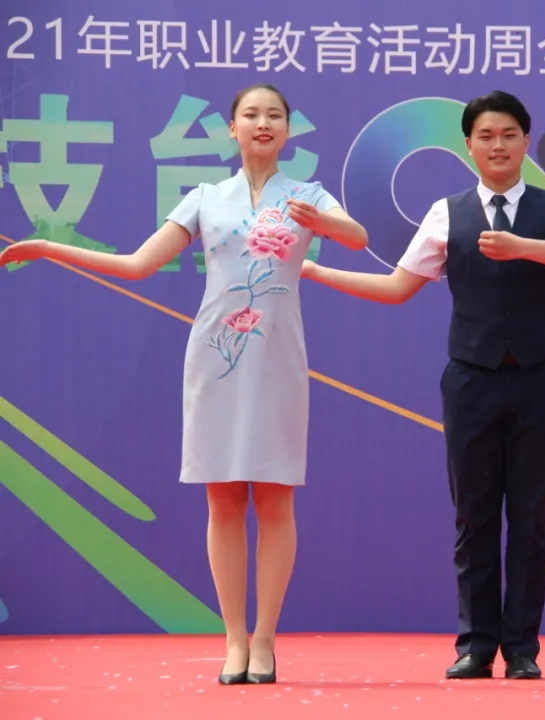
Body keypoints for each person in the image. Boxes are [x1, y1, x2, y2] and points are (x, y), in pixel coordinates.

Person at [0, 83, 369, 686]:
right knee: (223, 499)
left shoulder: (308, 194)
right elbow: (137, 265)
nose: (263, 123)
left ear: (288, 129)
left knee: (275, 497)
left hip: (278, 357)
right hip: (214, 358)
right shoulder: (205, 197)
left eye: (274, 115)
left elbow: (358, 238)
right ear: (231, 128)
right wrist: (48, 247)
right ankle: (233, 639)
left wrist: (322, 220)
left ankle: (265, 640)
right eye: (251, 114)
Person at [301, 90, 545, 680]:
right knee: (474, 515)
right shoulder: (447, 212)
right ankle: (475, 645)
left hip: (541, 377)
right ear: (468, 145)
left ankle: (522, 649)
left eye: (510, 134)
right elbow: (397, 287)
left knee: (533, 516)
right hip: (470, 380)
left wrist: (523, 248)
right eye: (486, 136)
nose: (499, 145)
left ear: (526, 142)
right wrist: (314, 270)